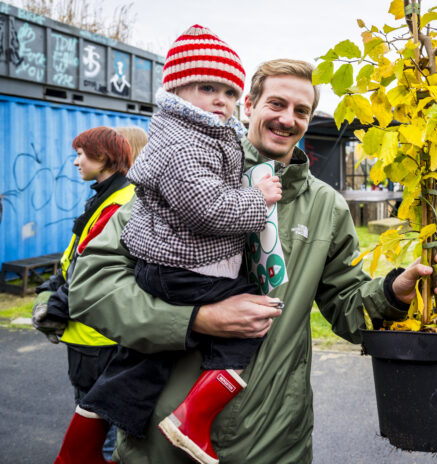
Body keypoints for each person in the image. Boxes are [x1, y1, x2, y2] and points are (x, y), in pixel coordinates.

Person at [68, 58, 437, 463]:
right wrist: (196, 319)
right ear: (249, 104)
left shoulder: (326, 207)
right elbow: (92, 287)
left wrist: (394, 292)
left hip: (273, 444)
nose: (288, 119)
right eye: (277, 104)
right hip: (161, 446)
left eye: (301, 110)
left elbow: (347, 307)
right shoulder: (189, 174)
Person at [54, 25, 284, 464]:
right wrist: (259, 199)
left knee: (143, 360)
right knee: (252, 321)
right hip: (184, 269)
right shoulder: (184, 144)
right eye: (207, 87)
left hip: (171, 267)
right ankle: (192, 420)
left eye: (229, 92)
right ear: (177, 90)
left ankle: (81, 439)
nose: (222, 100)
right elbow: (209, 208)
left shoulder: (196, 136)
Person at [30, 126, 134, 461]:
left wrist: (52, 304)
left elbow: (89, 273)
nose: (76, 162)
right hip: (88, 336)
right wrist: (49, 292)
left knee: (102, 434)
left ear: (103, 157)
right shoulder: (103, 196)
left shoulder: (119, 202)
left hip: (99, 339)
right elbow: (72, 260)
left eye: (81, 153)